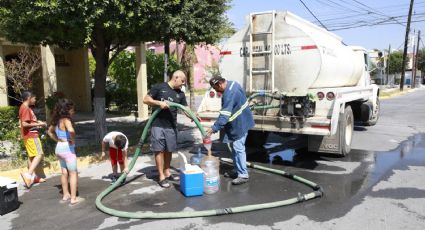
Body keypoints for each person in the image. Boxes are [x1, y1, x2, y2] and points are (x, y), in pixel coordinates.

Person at [143, 70, 198, 188]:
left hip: (171, 126)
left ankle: (167, 172)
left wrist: (193, 116)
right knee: (159, 150)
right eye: (182, 82)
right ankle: (161, 176)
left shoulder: (180, 94)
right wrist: (158, 103)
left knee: (169, 150)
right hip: (157, 124)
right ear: (176, 78)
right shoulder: (159, 87)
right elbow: (146, 99)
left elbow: (185, 109)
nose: (183, 84)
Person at [206, 75, 255, 185]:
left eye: (215, 88)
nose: (216, 91)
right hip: (240, 121)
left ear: (220, 84)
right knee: (234, 147)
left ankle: (243, 174)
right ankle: (237, 170)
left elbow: (224, 115)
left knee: (238, 148)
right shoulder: (233, 83)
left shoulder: (229, 94)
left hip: (240, 124)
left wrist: (214, 128)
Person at [47, 98, 84, 205]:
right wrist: (72, 140)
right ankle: (73, 198)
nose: (73, 111)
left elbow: (49, 132)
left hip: (59, 148)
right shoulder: (66, 120)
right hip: (67, 149)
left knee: (64, 172)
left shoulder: (57, 120)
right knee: (73, 173)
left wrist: (58, 139)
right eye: (72, 109)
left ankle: (65, 195)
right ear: (67, 109)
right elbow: (71, 131)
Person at [19, 91, 47, 188]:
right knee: (39, 154)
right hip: (32, 136)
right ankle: (29, 175)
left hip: (28, 135)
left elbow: (23, 123)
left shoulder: (23, 107)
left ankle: (33, 177)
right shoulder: (26, 108)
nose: (35, 100)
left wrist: (36, 122)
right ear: (29, 98)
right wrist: (40, 124)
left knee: (32, 156)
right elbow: (24, 124)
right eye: (34, 98)